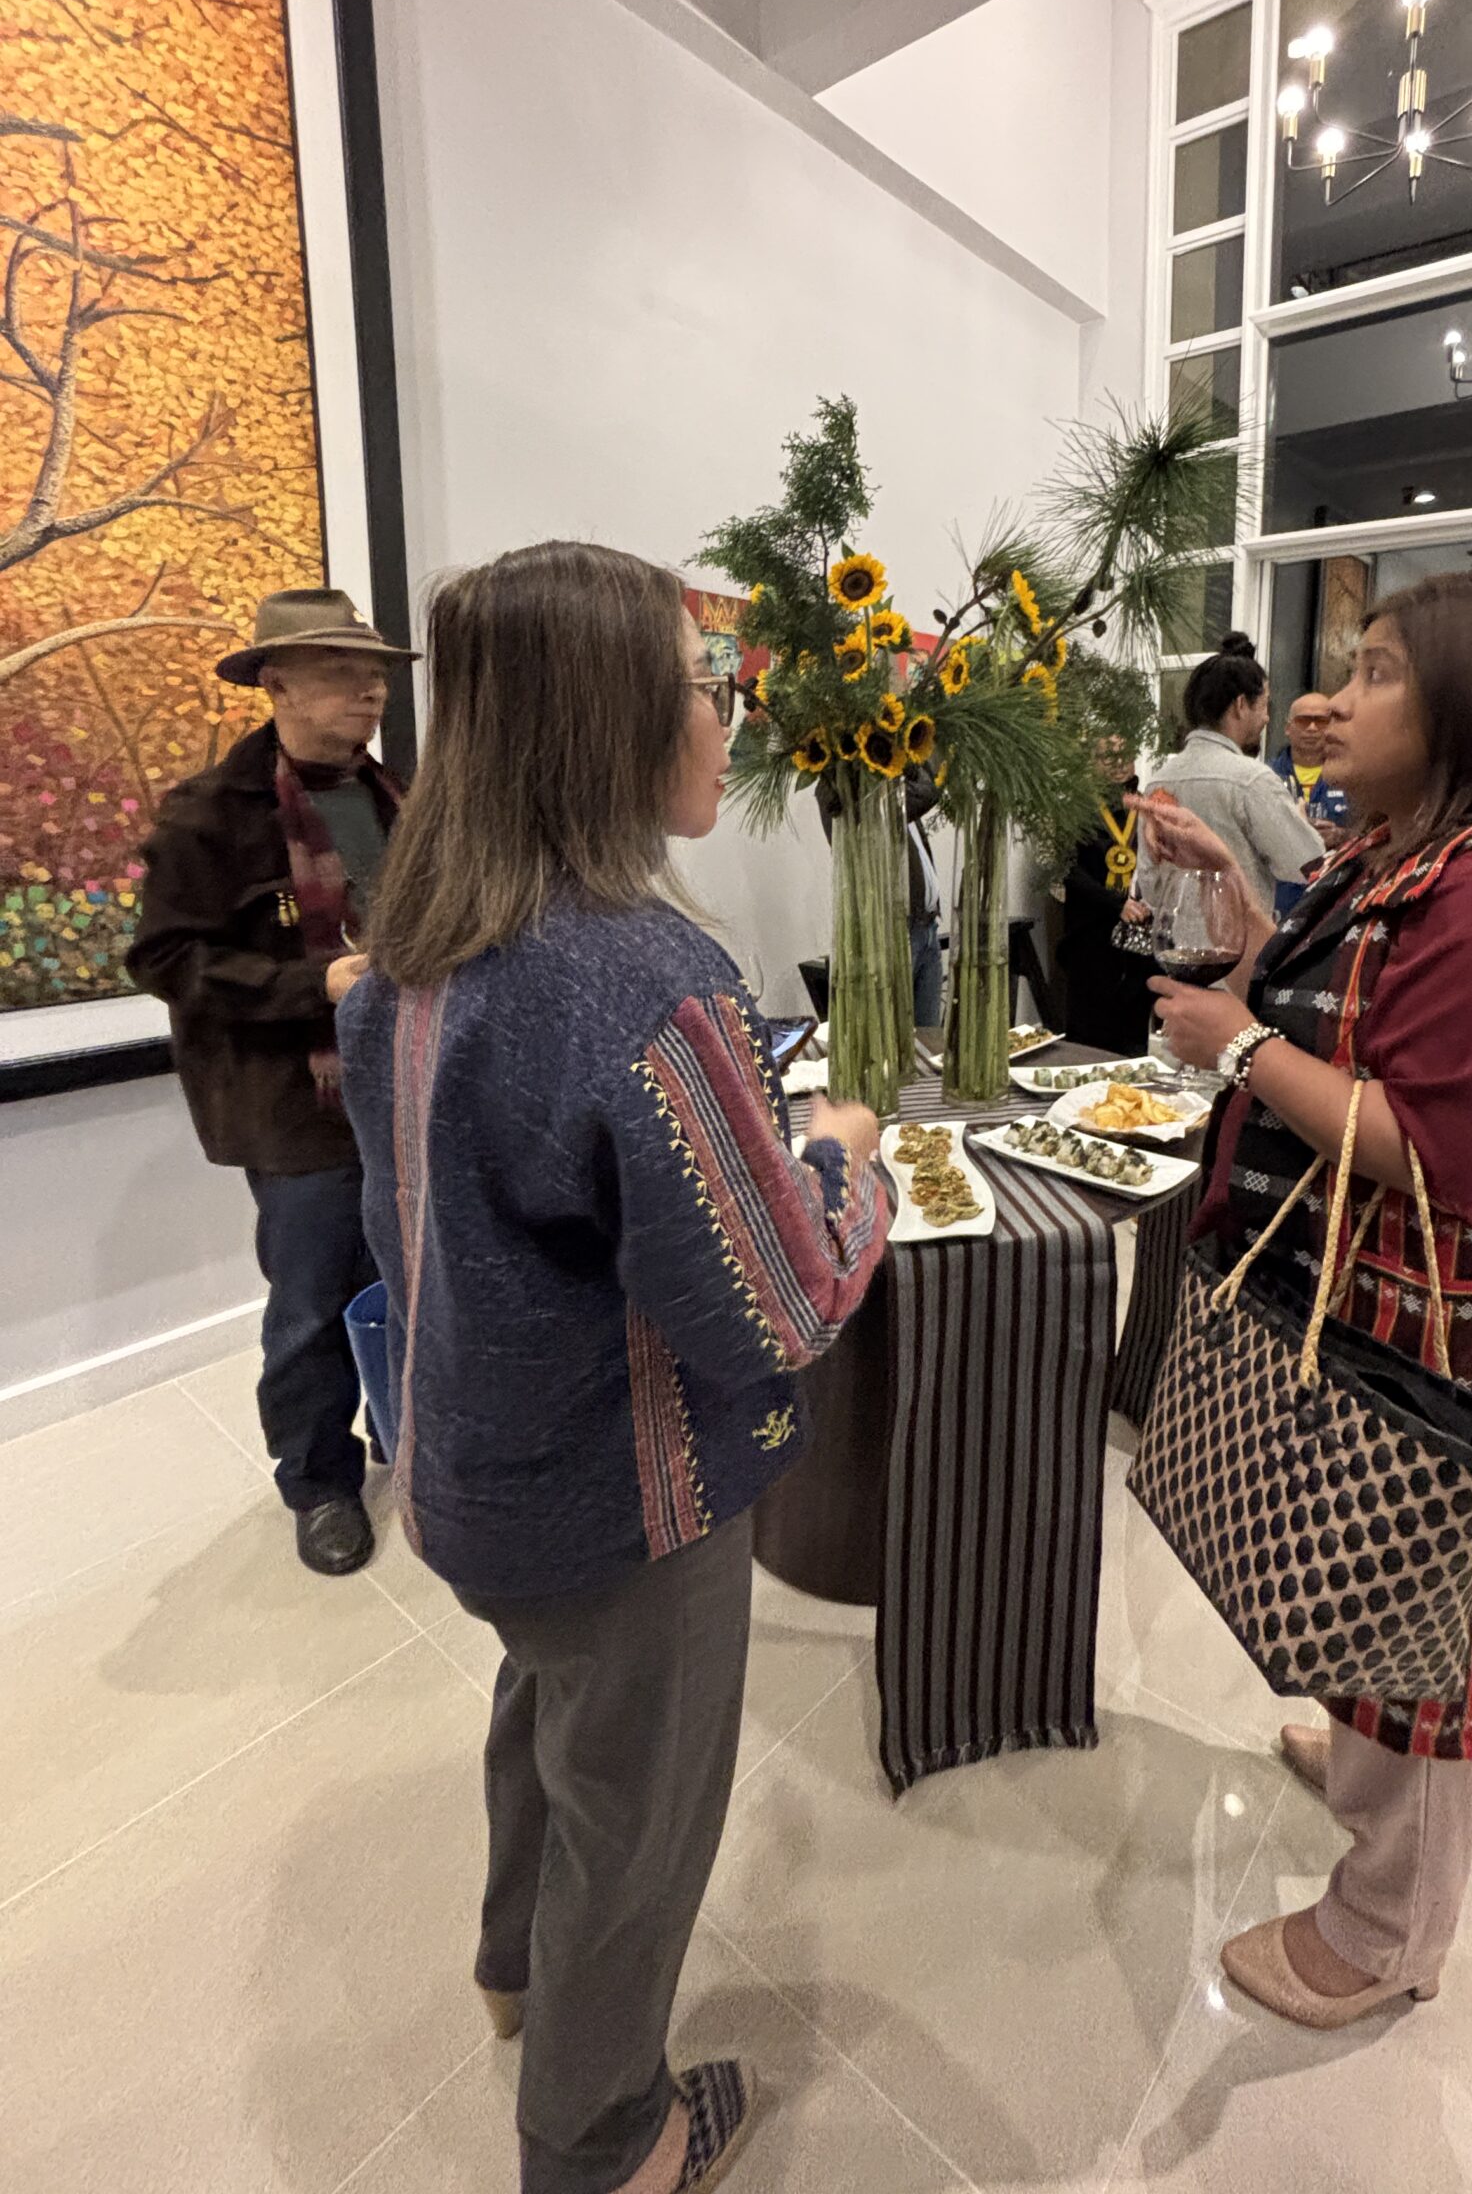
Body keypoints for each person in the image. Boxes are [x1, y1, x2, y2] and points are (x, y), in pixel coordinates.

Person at [338, 541, 889, 2194]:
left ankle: (515, 1973)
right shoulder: (646, 983)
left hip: (472, 1478)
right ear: (612, 720)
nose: (728, 718)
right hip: (626, 1504)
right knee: (635, 1833)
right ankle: (604, 2142)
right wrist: (847, 1158)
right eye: (706, 685)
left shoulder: (410, 962)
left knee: (548, 1719)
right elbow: (782, 1304)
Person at [1133, 572, 1472, 2028]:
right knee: (1365, 1568)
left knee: (1430, 1621)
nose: (1330, 703)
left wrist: (1233, 1048)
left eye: (1379, 673)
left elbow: (1429, 1150)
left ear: (1464, 706)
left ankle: (1392, 1927)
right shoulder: (1402, 851)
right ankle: (1358, 1748)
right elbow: (1340, 1004)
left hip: (1454, 1323)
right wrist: (1236, 892)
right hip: (1377, 1290)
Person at [128, 587, 416, 1577]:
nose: (371, 690)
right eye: (344, 672)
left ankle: (403, 1437)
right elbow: (165, 959)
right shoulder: (210, 816)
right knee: (310, 1302)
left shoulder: (396, 798)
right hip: (297, 1106)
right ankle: (319, 1483)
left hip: (405, 1084)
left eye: (376, 673)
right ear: (277, 683)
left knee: (407, 1276)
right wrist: (314, 984)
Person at [1143, 633, 1320, 905]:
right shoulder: (1252, 780)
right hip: (1239, 931)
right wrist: (1299, 822)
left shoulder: (1157, 783)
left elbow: (1150, 886)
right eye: (1264, 705)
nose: (1267, 718)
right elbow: (1308, 864)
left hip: (1170, 930)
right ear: (1241, 705)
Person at [816, 759, 943, 1025]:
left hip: (927, 927)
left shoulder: (891, 782)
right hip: (894, 934)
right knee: (899, 1035)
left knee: (929, 1038)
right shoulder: (840, 786)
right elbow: (928, 793)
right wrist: (909, 765)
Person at [1051, 738, 1155, 1054]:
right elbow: (1068, 870)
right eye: (1108, 755)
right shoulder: (1076, 809)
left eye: (1125, 754)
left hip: (1139, 937)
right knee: (1089, 1034)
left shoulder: (1149, 808)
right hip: (1090, 935)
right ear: (1092, 762)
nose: (1119, 762)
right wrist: (1115, 903)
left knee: (1134, 1033)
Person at [1269, 689, 1352, 917]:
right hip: (1279, 898)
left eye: (1321, 721)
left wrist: (1341, 836)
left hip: (1333, 897)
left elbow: (1376, 834)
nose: (1312, 728)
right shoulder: (1265, 777)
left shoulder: (1352, 778)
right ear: (1288, 728)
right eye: (1303, 720)